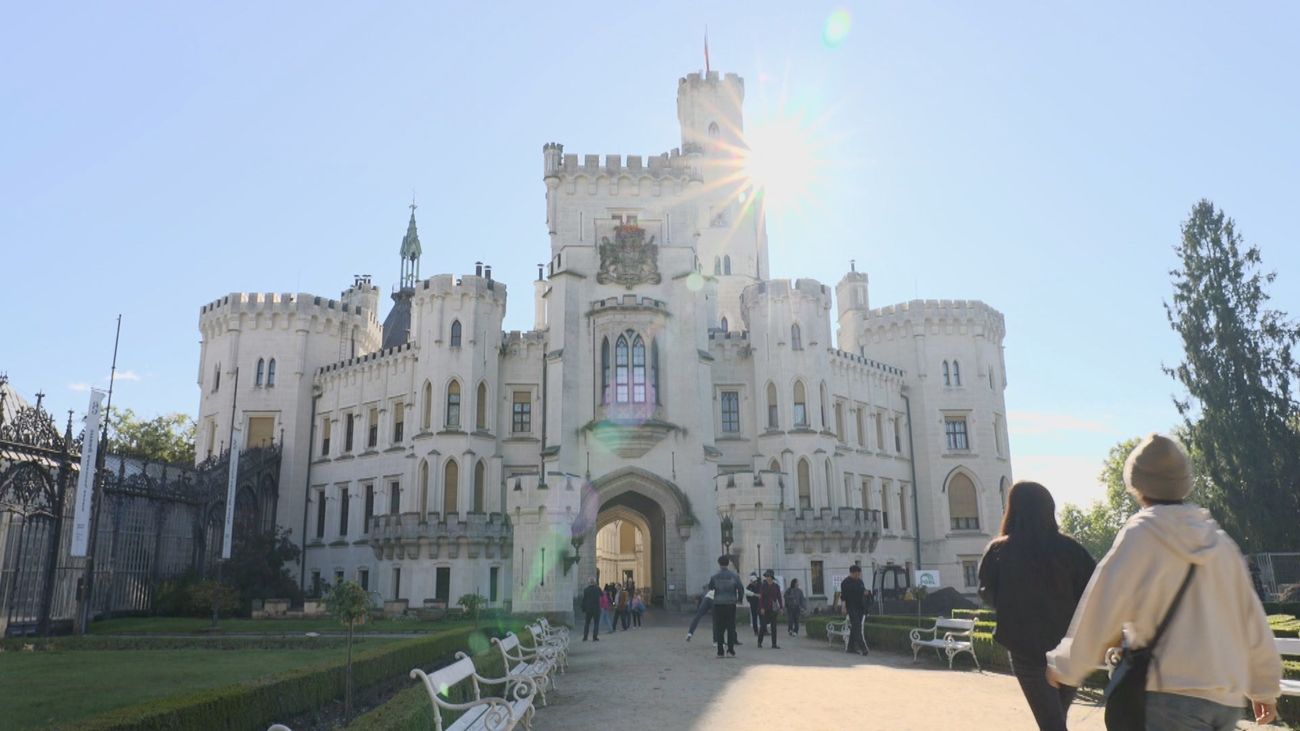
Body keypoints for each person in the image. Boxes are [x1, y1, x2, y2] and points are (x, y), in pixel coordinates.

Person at [1046, 434, 1281, 729]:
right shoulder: (1220, 543)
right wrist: (1264, 688)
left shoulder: (1140, 534)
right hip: (1225, 700)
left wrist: (1066, 665)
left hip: (1168, 695)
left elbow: (1103, 607)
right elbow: (1251, 621)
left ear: (1137, 486)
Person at [978, 481, 1095, 731]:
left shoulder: (999, 551)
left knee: (1052, 723)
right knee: (1055, 720)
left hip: (1025, 651)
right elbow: (1093, 594)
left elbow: (987, 593)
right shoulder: (1072, 550)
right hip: (1068, 652)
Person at [707, 554, 744, 658]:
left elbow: (710, 588)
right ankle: (730, 650)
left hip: (718, 603)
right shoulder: (734, 576)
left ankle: (720, 651)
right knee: (731, 627)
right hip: (731, 603)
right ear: (728, 563)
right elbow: (740, 589)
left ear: (719, 564)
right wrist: (740, 599)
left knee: (719, 628)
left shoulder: (715, 576)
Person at [840, 564, 869, 655]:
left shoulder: (860, 582)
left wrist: (866, 593)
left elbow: (863, 591)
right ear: (852, 573)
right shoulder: (845, 583)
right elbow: (843, 597)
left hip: (860, 607)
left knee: (855, 627)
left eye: (859, 574)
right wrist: (844, 607)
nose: (858, 576)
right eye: (856, 574)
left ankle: (850, 647)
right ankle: (863, 647)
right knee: (857, 626)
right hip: (851, 607)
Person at [756, 569, 784, 649]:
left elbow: (779, 597)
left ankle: (774, 644)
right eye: (766, 576)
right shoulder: (763, 586)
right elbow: (761, 598)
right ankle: (759, 642)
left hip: (773, 609)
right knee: (763, 626)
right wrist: (761, 608)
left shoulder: (776, 586)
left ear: (772, 577)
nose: (767, 578)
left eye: (768, 576)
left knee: (774, 627)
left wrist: (781, 607)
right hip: (764, 608)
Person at [581, 577, 603, 642]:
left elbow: (584, 600)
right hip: (596, 608)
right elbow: (602, 595)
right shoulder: (597, 589)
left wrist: (583, 608)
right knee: (596, 623)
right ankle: (595, 637)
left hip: (588, 609)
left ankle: (585, 636)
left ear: (589, 582)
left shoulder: (586, 590)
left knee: (587, 623)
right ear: (594, 582)